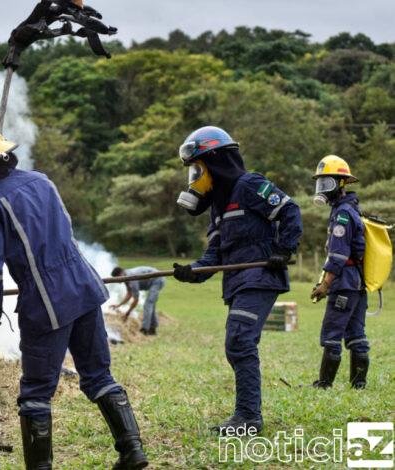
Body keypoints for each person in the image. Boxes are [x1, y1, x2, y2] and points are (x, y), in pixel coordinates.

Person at [0, 123, 149, 469]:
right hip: (84, 287)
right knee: (99, 376)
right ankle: (132, 450)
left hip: (45, 301)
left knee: (35, 393)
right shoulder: (42, 181)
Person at [171, 126, 302, 434]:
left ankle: (248, 418)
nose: (194, 177)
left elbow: (290, 211)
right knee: (238, 343)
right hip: (237, 281)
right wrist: (191, 272)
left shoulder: (250, 185)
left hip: (260, 276)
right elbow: (214, 255)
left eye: (198, 169)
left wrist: (283, 249)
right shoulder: (217, 205)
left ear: (216, 161)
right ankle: (247, 415)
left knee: (240, 341)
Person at [309, 155, 369, 390]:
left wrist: (325, 285)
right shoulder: (351, 209)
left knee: (332, 334)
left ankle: (324, 384)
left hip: (344, 282)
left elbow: (337, 255)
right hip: (357, 283)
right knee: (356, 334)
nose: (323, 189)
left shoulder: (343, 214)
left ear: (341, 184)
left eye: (327, 183)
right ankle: (359, 385)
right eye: (320, 183)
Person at [110, 266, 165, 335]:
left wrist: (127, 313)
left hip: (157, 280)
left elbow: (136, 300)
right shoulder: (126, 277)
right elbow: (129, 294)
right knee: (151, 305)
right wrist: (118, 305)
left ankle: (144, 329)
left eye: (117, 279)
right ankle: (152, 328)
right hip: (155, 279)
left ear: (120, 274)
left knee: (148, 305)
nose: (117, 282)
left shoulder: (131, 279)